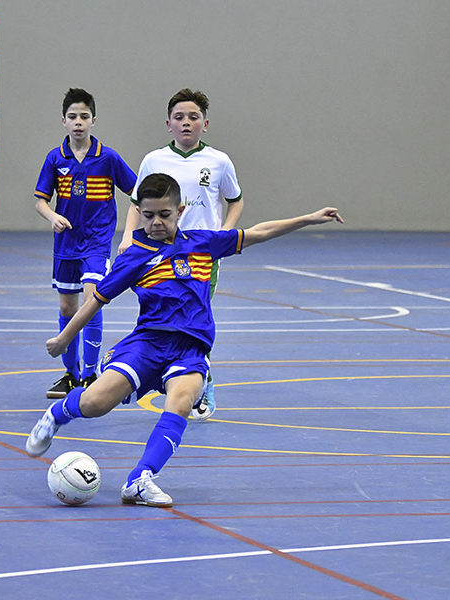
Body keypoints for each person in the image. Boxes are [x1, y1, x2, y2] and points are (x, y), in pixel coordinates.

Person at [26, 173, 342, 507]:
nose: (156, 222)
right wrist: (64, 339)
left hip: (190, 349)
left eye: (164, 214)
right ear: (140, 214)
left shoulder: (203, 243)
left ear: (180, 210)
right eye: (148, 216)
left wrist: (308, 219)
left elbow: (259, 232)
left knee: (182, 403)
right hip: (147, 344)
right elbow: (95, 301)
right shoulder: (134, 257)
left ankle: (140, 480)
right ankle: (57, 414)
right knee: (94, 405)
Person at [118, 88, 243, 420]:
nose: (186, 123)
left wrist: (225, 233)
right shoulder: (154, 160)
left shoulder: (219, 161)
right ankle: (137, 370)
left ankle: (204, 384)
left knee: (194, 320)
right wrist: (129, 237)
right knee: (158, 316)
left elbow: (236, 199)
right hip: (156, 256)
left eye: (193, 117)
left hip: (199, 257)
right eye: (179, 117)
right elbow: (135, 203)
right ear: (168, 124)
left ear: (205, 123)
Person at [34, 88, 137, 399]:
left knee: (93, 302)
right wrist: (51, 216)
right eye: (72, 117)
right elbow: (40, 200)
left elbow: (136, 192)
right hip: (66, 243)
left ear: (94, 120)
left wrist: (130, 233)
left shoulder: (108, 158)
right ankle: (71, 374)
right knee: (68, 306)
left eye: (84, 116)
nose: (78, 122)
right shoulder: (55, 158)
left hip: (96, 241)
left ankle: (92, 375)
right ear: (63, 121)